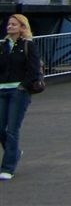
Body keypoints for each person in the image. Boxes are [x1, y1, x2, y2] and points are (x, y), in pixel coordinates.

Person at [0, 14, 42, 180]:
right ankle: (14, 151)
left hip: (18, 91)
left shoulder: (28, 45)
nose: (9, 27)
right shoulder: (3, 46)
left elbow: (33, 69)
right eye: (9, 24)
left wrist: (22, 86)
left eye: (13, 24)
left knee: (12, 129)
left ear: (22, 27)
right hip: (2, 89)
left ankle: (7, 167)